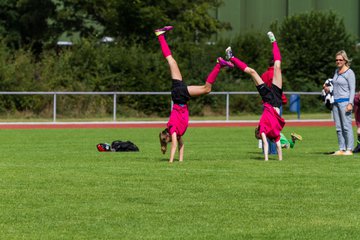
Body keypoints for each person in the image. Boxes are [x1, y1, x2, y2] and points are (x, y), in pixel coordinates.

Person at [155, 26, 234, 163]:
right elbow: (181, 145)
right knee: (172, 61)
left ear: (167, 136)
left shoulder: (172, 129)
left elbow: (174, 145)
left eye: (167, 140)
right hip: (177, 94)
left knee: (206, 89)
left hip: (180, 96)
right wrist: (180, 161)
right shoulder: (175, 132)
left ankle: (219, 65)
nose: (171, 140)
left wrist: (170, 161)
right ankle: (160, 35)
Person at [226, 32, 285, 161]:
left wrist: (266, 159)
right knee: (277, 66)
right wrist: (279, 160)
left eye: (258, 134)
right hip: (277, 97)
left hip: (267, 99)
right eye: (259, 135)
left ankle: (231, 57)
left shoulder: (263, 127)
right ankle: (274, 41)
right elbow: (278, 143)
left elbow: (265, 138)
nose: (260, 134)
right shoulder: (274, 132)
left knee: (252, 72)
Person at [323, 50, 356, 156]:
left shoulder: (349, 73)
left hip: (345, 102)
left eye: (340, 60)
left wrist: (350, 103)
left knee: (346, 126)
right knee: (338, 127)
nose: (338, 61)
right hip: (335, 103)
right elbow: (335, 86)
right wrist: (328, 89)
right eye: (336, 60)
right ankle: (342, 149)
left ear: (345, 60)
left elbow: (352, 89)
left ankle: (349, 149)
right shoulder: (336, 72)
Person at [260, 55, 289, 155]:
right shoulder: (276, 73)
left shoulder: (264, 74)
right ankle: (273, 151)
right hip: (276, 104)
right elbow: (278, 91)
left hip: (266, 104)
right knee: (274, 128)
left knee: (265, 127)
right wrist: (284, 100)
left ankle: (265, 150)